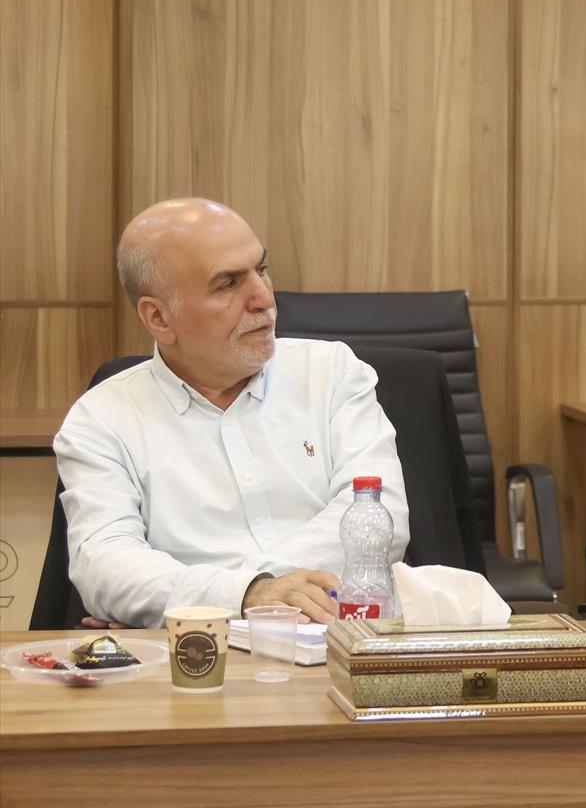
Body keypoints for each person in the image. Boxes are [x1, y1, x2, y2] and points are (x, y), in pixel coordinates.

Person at [53, 198, 410, 628]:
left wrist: (224, 596)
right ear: (159, 317)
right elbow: (105, 567)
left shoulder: (332, 374)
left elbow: (378, 521)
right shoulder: (101, 420)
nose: (264, 298)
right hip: (201, 655)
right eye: (227, 284)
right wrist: (248, 594)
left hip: (336, 636)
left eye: (262, 269)